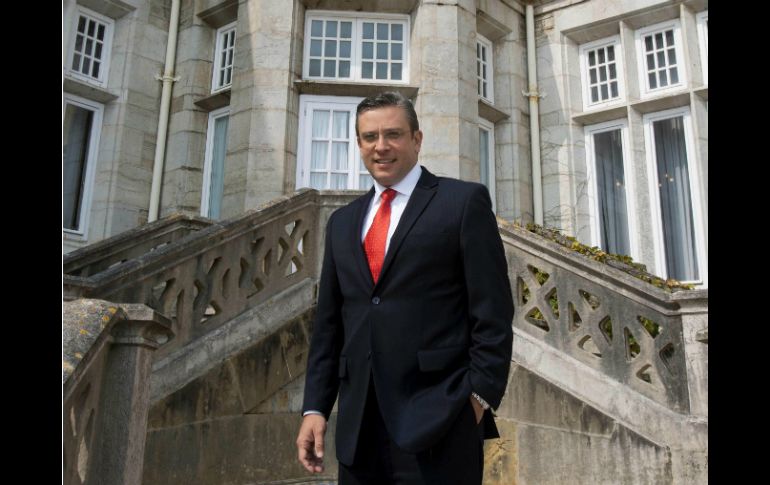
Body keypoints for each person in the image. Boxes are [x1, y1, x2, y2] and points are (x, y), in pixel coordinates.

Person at [296, 91, 514, 484]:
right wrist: (315, 407)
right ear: (359, 143)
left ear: (417, 139)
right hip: (358, 431)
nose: (381, 146)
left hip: (440, 423)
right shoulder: (342, 223)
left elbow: (493, 312)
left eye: (393, 134)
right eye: (369, 137)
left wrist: (479, 397)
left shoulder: (462, 203)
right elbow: (329, 326)